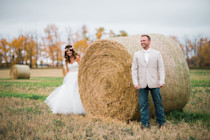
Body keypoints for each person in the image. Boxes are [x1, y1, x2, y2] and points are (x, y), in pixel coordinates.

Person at [131, 35, 166, 129]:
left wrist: (161, 81)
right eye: (141, 41)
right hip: (141, 83)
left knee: (158, 103)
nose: (142, 42)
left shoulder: (157, 53)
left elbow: (161, 68)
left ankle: (161, 122)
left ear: (149, 41)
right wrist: (135, 82)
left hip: (154, 82)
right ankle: (145, 124)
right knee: (143, 105)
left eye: (144, 40)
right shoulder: (136, 54)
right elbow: (134, 69)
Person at [45, 45, 86, 114]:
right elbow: (67, 70)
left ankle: (78, 108)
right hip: (70, 76)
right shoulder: (67, 60)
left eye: (69, 50)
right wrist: (66, 79)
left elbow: (81, 67)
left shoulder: (77, 58)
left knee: (76, 90)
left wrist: (81, 77)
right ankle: (69, 108)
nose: (68, 52)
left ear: (72, 50)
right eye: (67, 51)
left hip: (77, 75)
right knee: (68, 91)